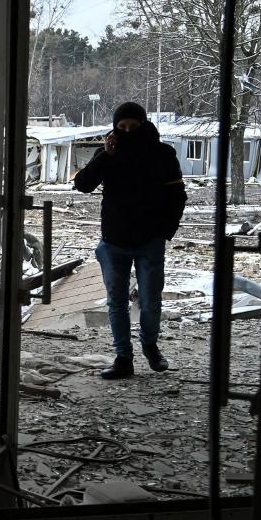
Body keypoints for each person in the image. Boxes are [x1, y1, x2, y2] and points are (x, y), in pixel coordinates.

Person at [73, 101, 187, 379]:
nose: (127, 131)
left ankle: (149, 344)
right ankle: (123, 357)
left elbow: (177, 196)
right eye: (121, 127)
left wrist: (164, 231)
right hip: (114, 241)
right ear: (115, 128)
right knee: (117, 302)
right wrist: (105, 156)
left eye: (133, 126)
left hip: (149, 241)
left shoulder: (162, 154)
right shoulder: (108, 154)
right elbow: (83, 185)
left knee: (150, 300)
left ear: (143, 125)